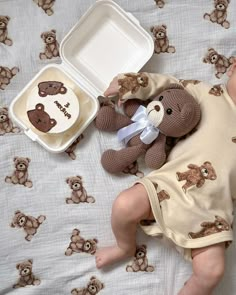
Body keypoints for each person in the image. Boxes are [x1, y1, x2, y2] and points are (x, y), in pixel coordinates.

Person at [95, 61, 236, 295]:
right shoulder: (208, 94)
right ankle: (124, 246)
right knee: (125, 204)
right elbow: (169, 86)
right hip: (169, 188)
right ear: (233, 68)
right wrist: (131, 83)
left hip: (211, 217)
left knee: (212, 271)